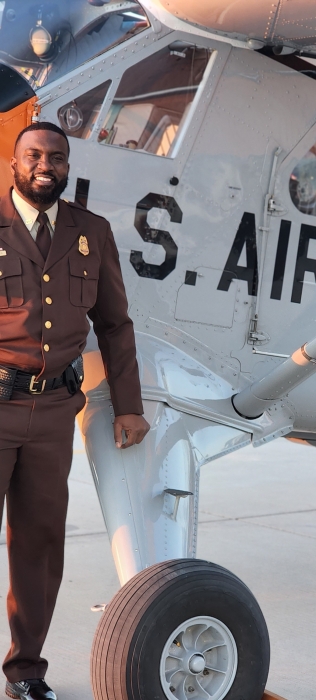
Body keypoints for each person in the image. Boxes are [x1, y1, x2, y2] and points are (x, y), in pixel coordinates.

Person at [0, 121, 150, 700]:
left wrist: (129, 407)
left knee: (38, 547)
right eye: (34, 155)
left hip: (54, 415)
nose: (45, 165)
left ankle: (26, 673)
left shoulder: (92, 232)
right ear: (15, 163)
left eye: (56, 157)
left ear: (67, 167)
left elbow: (114, 324)